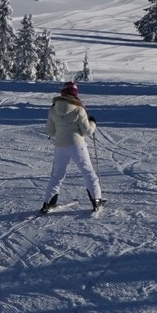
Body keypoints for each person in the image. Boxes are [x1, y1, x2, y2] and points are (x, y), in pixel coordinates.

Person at [40, 80, 106, 213]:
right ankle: (96, 200)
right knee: (88, 172)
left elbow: (51, 131)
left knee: (57, 175)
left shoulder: (53, 109)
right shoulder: (79, 109)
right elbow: (86, 131)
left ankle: (48, 202)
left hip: (60, 146)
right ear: (75, 94)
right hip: (77, 145)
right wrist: (92, 122)